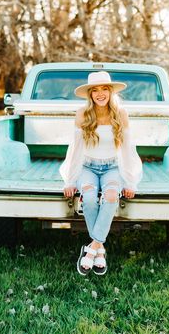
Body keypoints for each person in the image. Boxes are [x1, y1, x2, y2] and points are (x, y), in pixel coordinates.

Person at [60, 71, 143, 276]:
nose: (100, 94)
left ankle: (92, 248)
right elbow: (76, 148)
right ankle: (100, 248)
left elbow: (127, 148)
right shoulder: (82, 114)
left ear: (110, 91)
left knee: (112, 196)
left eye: (104, 89)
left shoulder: (120, 114)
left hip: (112, 167)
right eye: (95, 90)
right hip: (87, 167)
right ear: (89, 94)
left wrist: (130, 181)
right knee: (88, 198)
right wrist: (70, 179)